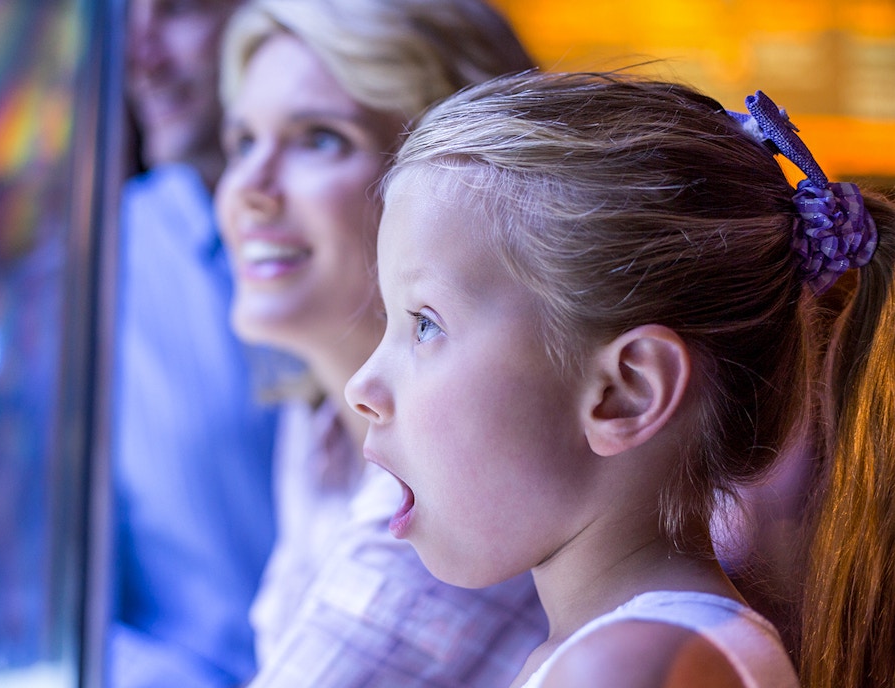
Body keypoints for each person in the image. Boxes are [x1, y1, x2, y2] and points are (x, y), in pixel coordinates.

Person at [343, 69, 890, 686]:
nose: (361, 388)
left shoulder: (630, 667)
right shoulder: (619, 651)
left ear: (628, 392)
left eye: (425, 325)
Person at [213, 0, 548, 685]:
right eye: (243, 144)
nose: (249, 189)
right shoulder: (319, 430)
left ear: (456, 177)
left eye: (319, 139)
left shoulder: (459, 468)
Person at [110, 1, 279, 686]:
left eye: (178, 8)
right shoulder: (96, 271)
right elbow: (36, 596)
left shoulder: (389, 240)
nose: (141, 56)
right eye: (123, 20)